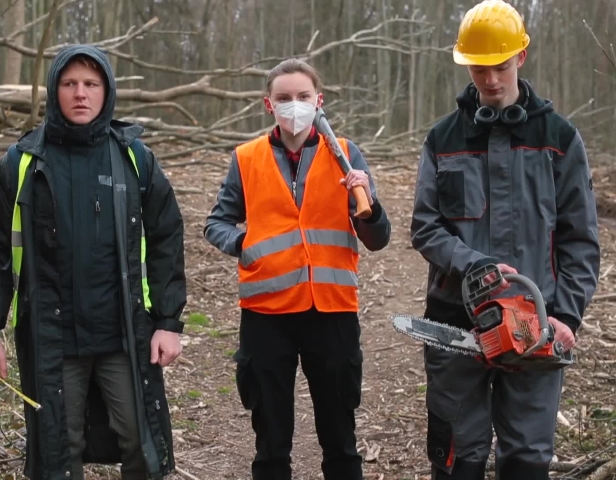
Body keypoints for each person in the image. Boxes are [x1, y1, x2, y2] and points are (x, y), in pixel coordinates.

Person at [0, 44, 187, 480]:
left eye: (91, 84)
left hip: (122, 332)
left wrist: (168, 321)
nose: (80, 94)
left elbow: (166, 237)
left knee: (142, 441)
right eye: (70, 84)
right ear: (54, 91)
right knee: (56, 449)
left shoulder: (134, 158)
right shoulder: (22, 163)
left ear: (107, 91)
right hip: (52, 336)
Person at [409, 1, 600, 479]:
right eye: (479, 67)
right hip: (458, 320)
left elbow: (580, 240)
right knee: (457, 456)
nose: (490, 79)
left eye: (500, 65)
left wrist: (565, 315)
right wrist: (471, 264)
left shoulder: (559, 139)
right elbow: (426, 226)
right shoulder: (443, 138)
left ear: (521, 58)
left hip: (536, 326)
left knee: (527, 459)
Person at [204, 58, 392, 480]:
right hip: (266, 315)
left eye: (303, 97)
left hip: (332, 311)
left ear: (318, 101)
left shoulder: (344, 153)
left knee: (340, 440)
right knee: (270, 443)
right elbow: (216, 223)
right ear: (268, 105)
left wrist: (367, 206)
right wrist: (242, 244)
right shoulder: (247, 158)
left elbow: (379, 238)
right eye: (284, 98)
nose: (294, 105)